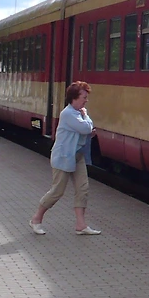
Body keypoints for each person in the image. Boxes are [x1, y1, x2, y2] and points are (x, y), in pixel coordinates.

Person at [30, 81, 101, 235]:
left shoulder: (78, 113)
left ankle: (81, 225)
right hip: (63, 157)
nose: (86, 100)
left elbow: (87, 128)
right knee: (57, 191)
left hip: (77, 156)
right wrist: (86, 118)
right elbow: (86, 128)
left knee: (83, 189)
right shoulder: (68, 113)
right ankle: (36, 219)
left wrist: (86, 123)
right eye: (83, 97)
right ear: (74, 98)